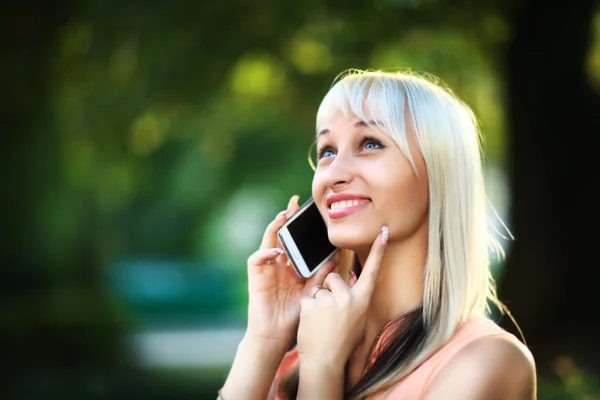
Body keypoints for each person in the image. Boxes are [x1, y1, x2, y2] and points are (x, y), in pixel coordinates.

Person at [218, 70, 536, 399]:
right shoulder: (298, 360)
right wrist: (264, 338)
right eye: (327, 150)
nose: (334, 174)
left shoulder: (485, 362)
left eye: (370, 143)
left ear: (438, 175)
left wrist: (323, 368)